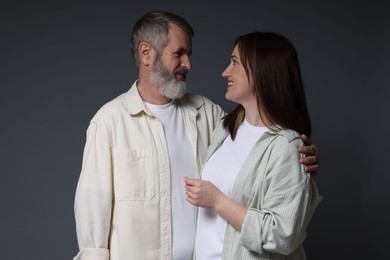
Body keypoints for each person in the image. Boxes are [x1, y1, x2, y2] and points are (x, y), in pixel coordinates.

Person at [73, 11, 320, 260]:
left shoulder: (209, 114)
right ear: (146, 53)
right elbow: (93, 213)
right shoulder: (110, 121)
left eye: (189, 54)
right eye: (179, 53)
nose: (188, 64)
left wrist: (301, 161)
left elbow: (259, 149)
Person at [185, 32, 322, 260]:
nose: (225, 72)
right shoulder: (224, 128)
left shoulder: (286, 146)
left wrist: (218, 201)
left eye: (235, 62)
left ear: (262, 70)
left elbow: (282, 235)